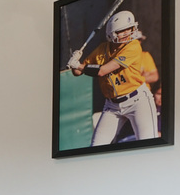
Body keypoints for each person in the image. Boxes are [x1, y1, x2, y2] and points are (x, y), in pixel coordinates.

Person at [67, 9, 159, 145]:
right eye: (122, 31)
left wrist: (79, 66)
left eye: (129, 29)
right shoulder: (101, 49)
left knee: (148, 143)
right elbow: (78, 72)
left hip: (138, 101)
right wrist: (75, 61)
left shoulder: (133, 46)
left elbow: (102, 71)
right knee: (96, 146)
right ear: (111, 34)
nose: (127, 33)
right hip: (112, 105)